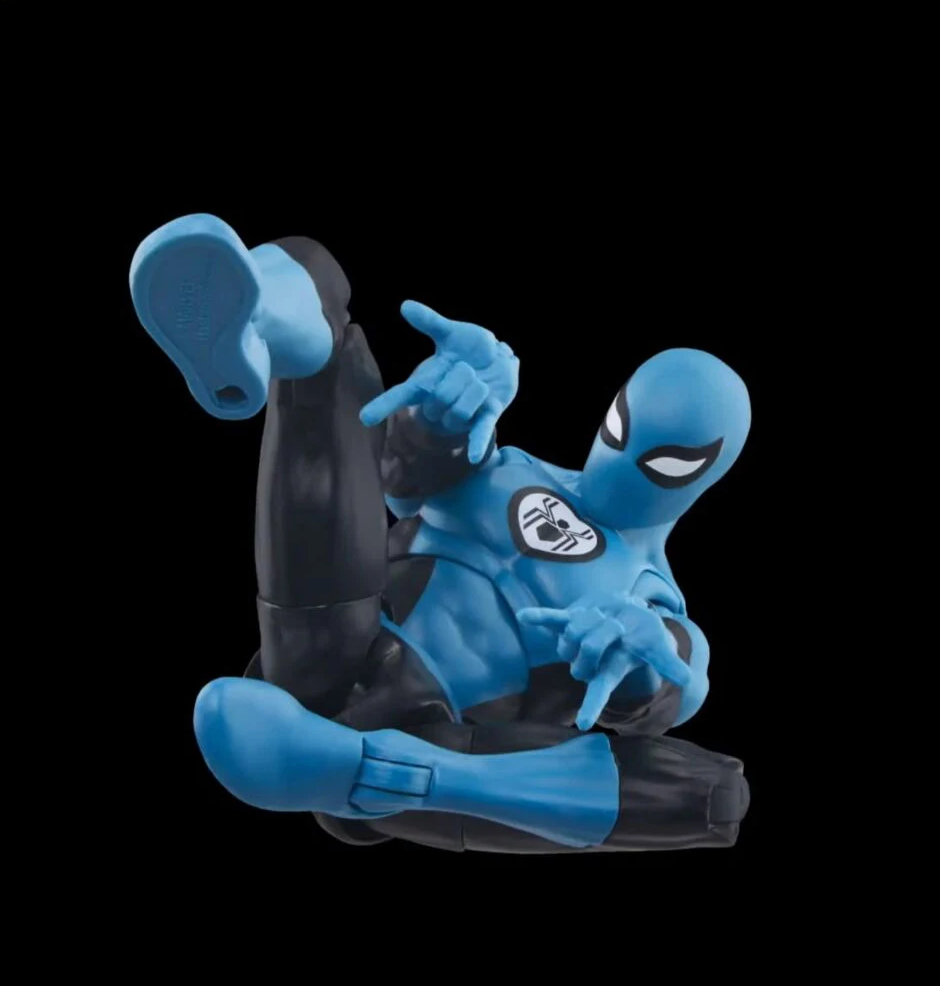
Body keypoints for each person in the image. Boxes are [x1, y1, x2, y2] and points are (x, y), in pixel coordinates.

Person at [129, 214, 751, 853]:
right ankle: (274, 315)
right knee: (314, 281)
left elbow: (676, 679)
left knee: (714, 796)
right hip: (339, 631)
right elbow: (400, 480)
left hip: (442, 738)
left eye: (666, 458)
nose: (623, 461)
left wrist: (643, 662)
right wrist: (442, 417)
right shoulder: (510, 468)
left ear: (701, 474)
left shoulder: (649, 597)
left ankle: (383, 773)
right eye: (622, 427)